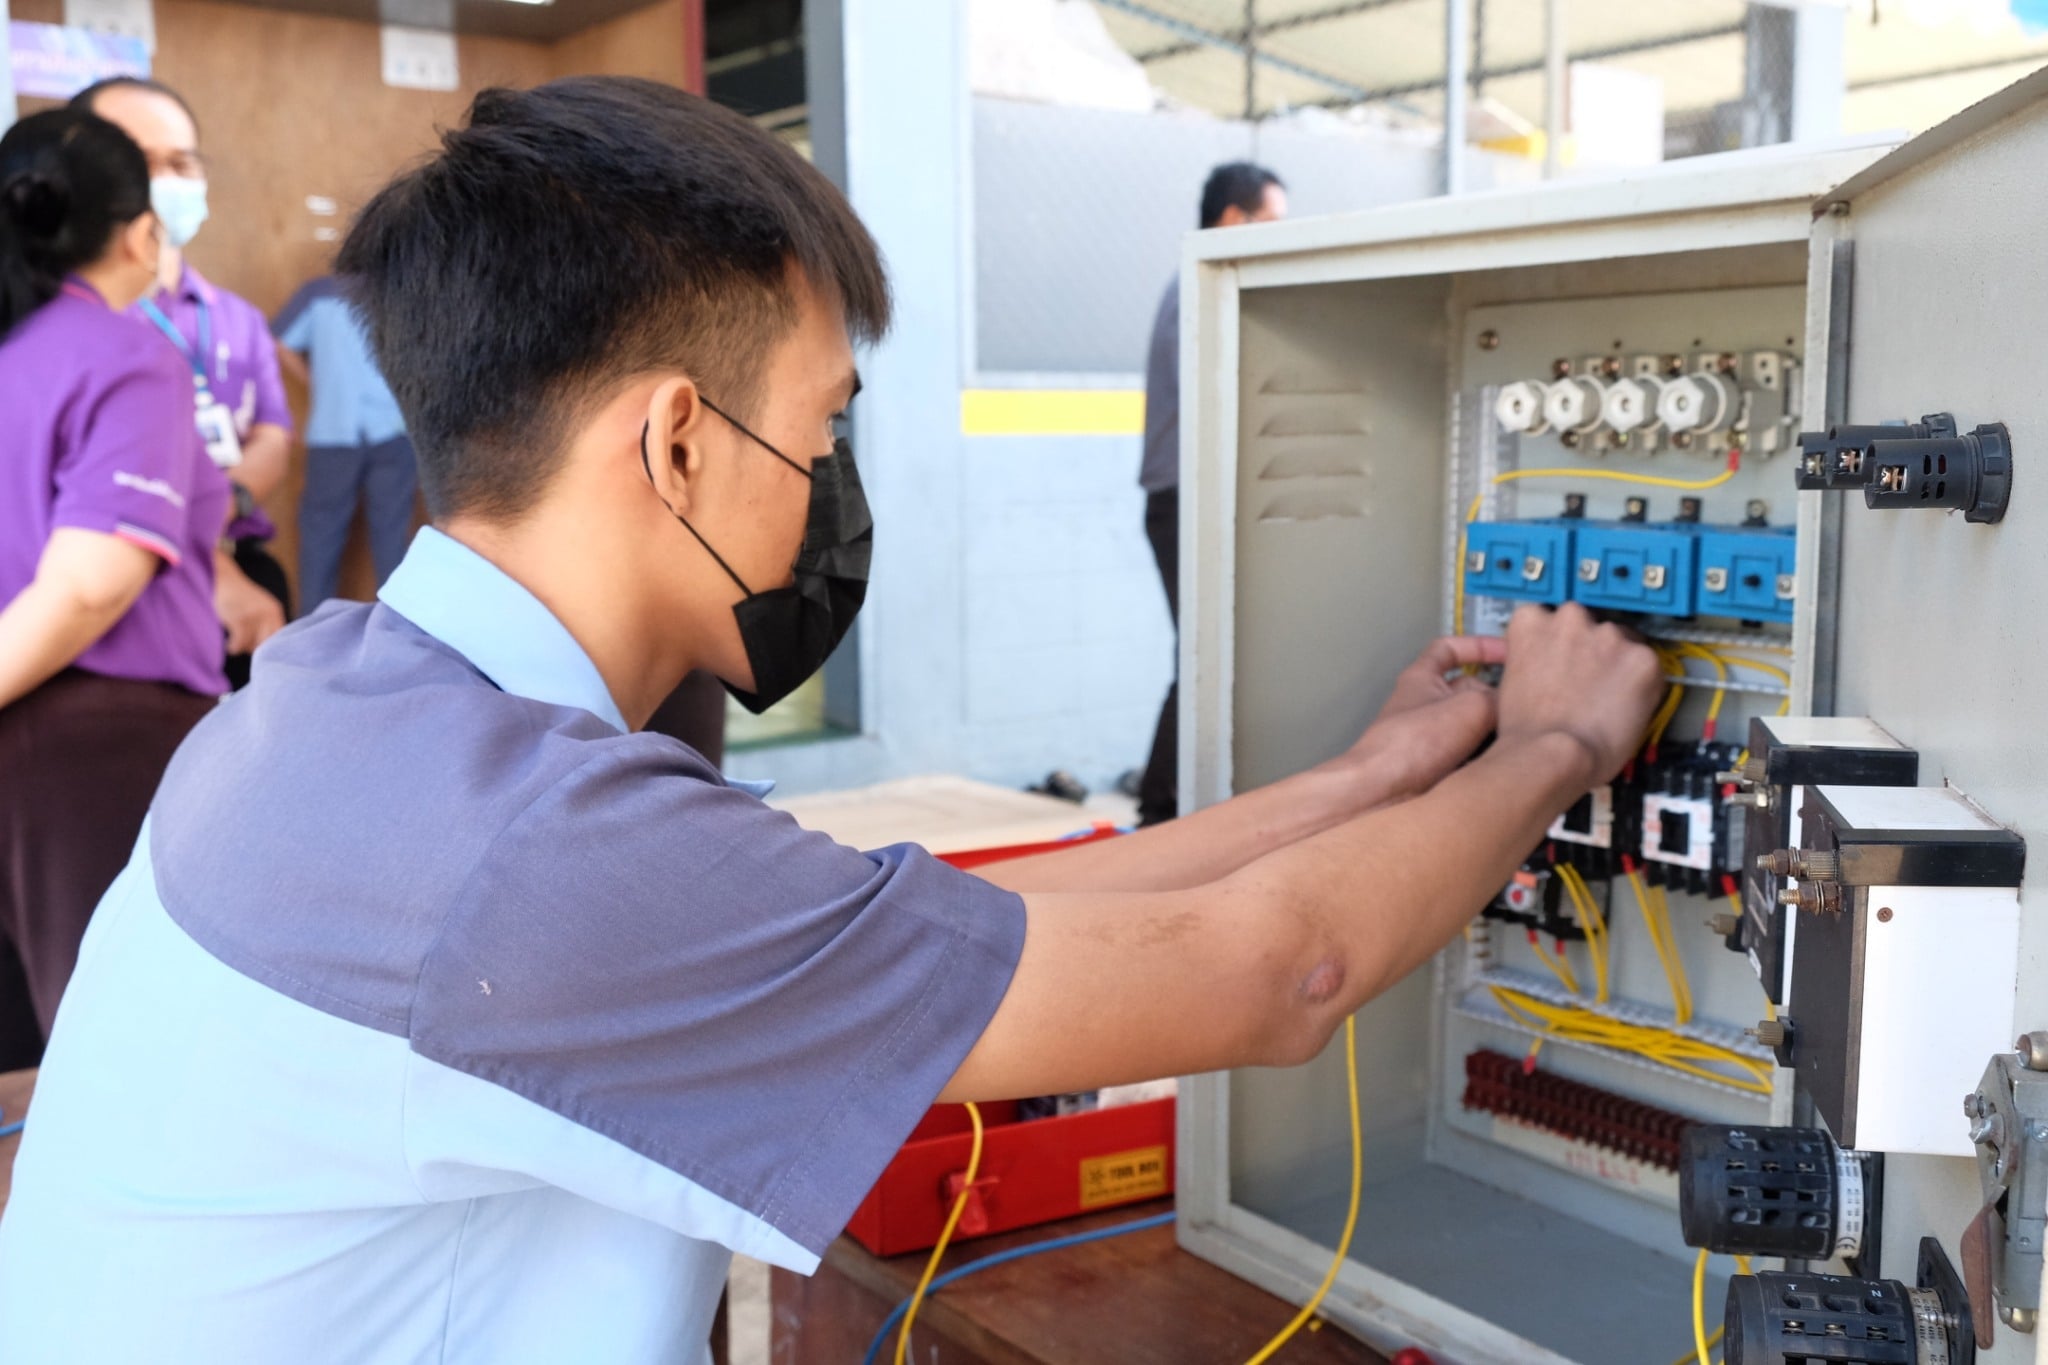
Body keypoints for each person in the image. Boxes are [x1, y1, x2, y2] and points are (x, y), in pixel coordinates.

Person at [0, 79, 1663, 1363]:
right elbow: (1277, 975)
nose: (829, 491)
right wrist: (1562, 747)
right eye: (820, 426)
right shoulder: (526, 855)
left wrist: (1373, 777)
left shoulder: (352, 702)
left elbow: (953, 930)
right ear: (672, 445)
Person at [0, 109, 229, 1070]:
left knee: (30, 1065)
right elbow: (90, 587)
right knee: (131, 1063)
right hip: (94, 748)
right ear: (141, 230)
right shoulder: (130, 355)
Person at [71, 77, 289, 688]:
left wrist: (223, 511)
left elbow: (271, 431)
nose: (163, 180)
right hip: (117, 583)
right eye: (139, 162)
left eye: (180, 162)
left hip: (242, 572)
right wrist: (209, 570)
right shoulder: (60, 325)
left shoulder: (236, 318)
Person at [1136, 161, 1287, 827]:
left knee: (1209, 655)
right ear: (1234, 219)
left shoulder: (1203, 292)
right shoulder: (1200, 295)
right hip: (1183, 500)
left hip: (1190, 498)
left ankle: (1172, 804)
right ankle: (1161, 810)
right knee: (1198, 657)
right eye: (1273, 222)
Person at [272, 272, 417, 606]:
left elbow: (278, 342)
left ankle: (310, 635)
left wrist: (315, 381)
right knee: (392, 538)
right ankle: (395, 636)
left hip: (334, 428)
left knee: (320, 538)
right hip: (393, 428)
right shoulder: (402, 289)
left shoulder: (318, 293)